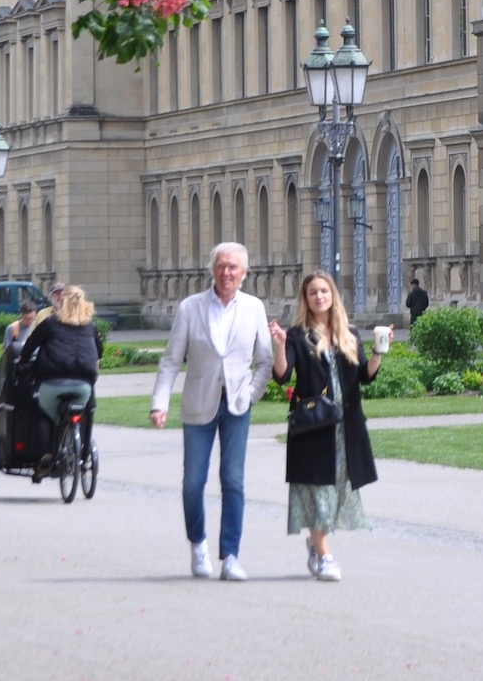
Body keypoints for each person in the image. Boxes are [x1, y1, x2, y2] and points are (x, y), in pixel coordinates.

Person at [149, 242, 273, 582]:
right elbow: (171, 360)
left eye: (233, 267)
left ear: (244, 273)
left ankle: (231, 555)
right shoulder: (191, 308)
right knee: (193, 483)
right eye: (221, 265)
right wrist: (160, 403)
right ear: (212, 269)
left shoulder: (253, 308)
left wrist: (250, 394)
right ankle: (198, 543)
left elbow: (264, 360)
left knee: (233, 481)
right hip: (198, 404)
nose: (226, 272)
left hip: (235, 405)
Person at [270, 271, 381, 582]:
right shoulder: (297, 335)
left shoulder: (350, 334)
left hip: (346, 428)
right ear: (305, 300)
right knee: (319, 490)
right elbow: (282, 376)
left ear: (333, 295)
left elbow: (365, 377)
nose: (319, 296)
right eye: (312, 293)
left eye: (324, 291)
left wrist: (378, 351)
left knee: (335, 490)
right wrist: (279, 346)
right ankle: (326, 555)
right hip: (314, 426)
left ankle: (316, 546)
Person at [20, 284, 104, 443]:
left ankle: (47, 454)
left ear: (62, 302)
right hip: (83, 385)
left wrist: (23, 361)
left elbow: (30, 346)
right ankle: (79, 449)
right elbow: (100, 352)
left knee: (44, 413)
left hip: (53, 382)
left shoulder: (50, 323)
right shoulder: (90, 326)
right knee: (80, 412)